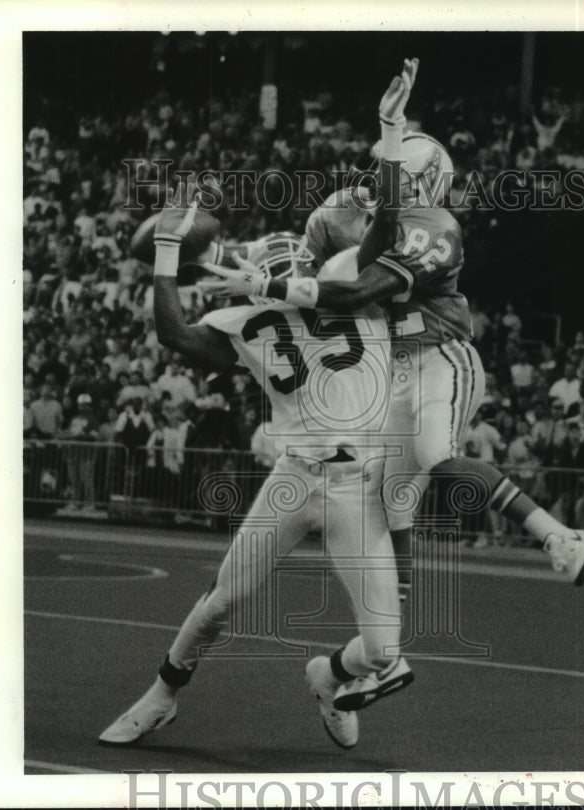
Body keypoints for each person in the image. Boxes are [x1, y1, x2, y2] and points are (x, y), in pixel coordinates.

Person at [205, 57, 584, 587]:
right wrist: (239, 265)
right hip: (391, 371)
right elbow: (310, 275)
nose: (375, 179)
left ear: (421, 184)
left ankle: (559, 536)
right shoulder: (342, 214)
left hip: (441, 356)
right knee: (388, 500)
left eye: (392, 173)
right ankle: (390, 633)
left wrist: (263, 286)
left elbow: (356, 292)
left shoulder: (436, 227)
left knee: (436, 455)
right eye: (377, 168)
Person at [100, 161, 413, 751]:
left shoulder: (349, 280)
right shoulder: (250, 318)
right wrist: (167, 250)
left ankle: (328, 677)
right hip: (295, 477)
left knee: (381, 653)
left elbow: (385, 223)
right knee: (224, 598)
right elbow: (174, 333)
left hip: (357, 486)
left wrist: (391, 138)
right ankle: (161, 695)